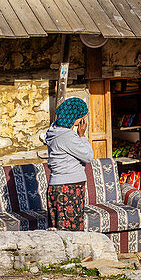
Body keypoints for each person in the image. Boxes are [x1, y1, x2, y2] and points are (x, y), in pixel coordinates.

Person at [44, 96, 94, 231]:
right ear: (75, 117)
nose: (82, 121)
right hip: (69, 187)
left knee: (57, 230)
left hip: (56, 186)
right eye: (82, 117)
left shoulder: (54, 131)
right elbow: (88, 156)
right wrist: (82, 135)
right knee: (71, 232)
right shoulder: (67, 136)